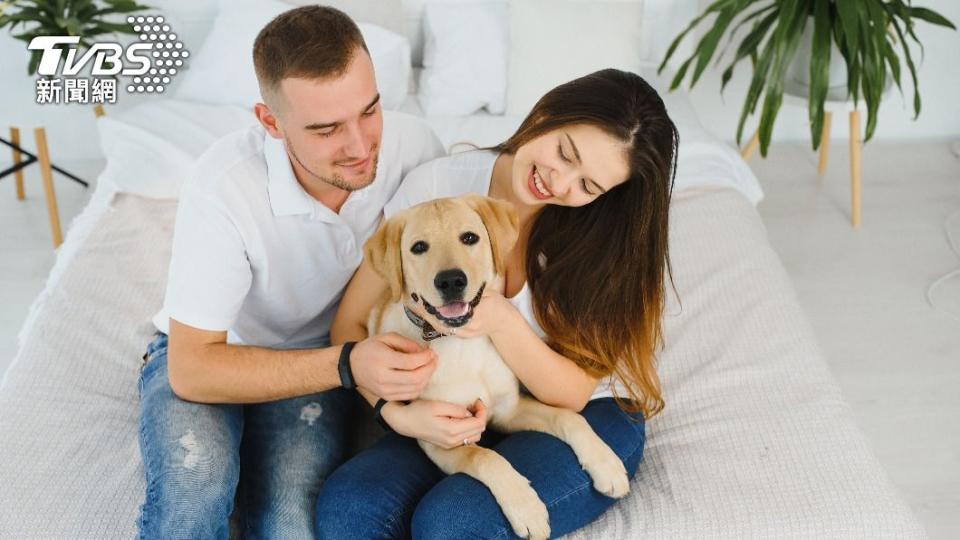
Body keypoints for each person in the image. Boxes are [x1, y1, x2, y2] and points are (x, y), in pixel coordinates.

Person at [317, 68, 679, 538]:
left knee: (451, 523)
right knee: (350, 509)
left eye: (588, 186)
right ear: (547, 113)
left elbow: (569, 395)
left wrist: (499, 318)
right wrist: (396, 412)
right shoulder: (437, 189)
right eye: (565, 152)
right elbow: (348, 327)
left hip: (586, 409)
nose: (560, 181)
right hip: (460, 401)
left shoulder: (601, 241)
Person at [137, 6, 446, 538]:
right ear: (270, 122)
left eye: (369, 111)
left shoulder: (415, 149)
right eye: (326, 129)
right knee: (195, 492)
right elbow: (192, 370)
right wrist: (348, 364)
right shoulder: (224, 186)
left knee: (292, 520)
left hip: (315, 361)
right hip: (215, 355)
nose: (359, 146)